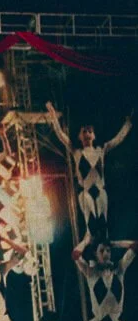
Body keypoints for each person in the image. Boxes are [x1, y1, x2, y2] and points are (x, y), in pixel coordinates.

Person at [47, 102, 132, 246]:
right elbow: (61, 135)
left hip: (100, 191)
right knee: (90, 227)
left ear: (94, 135)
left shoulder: (101, 149)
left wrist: (128, 124)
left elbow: (118, 139)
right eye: (84, 132)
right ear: (79, 136)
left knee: (103, 225)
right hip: (85, 193)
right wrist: (53, 116)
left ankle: (105, 245)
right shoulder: (76, 152)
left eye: (90, 131)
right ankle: (88, 241)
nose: (87, 133)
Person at [73, 239, 138, 321]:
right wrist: (86, 241)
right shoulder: (91, 272)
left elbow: (135, 246)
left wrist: (115, 243)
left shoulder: (119, 269)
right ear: (96, 255)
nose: (106, 253)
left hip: (116, 319)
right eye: (102, 251)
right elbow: (75, 255)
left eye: (108, 250)